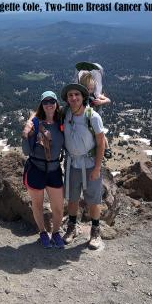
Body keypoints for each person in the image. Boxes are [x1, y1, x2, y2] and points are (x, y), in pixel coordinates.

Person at [60, 83, 105, 250]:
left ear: (83, 97)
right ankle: (72, 227)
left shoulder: (92, 116)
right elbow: (43, 112)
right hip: (72, 163)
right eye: (70, 95)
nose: (73, 98)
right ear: (67, 98)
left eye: (76, 95)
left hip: (90, 163)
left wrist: (97, 168)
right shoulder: (64, 113)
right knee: (72, 198)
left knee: (94, 199)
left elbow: (101, 144)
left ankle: (95, 231)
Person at [22, 91, 65, 249]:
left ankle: (55, 232)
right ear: (41, 104)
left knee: (58, 207)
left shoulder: (62, 122)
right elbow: (26, 151)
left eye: (52, 101)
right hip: (36, 168)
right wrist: (27, 133)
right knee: (37, 204)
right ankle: (42, 232)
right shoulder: (34, 123)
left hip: (53, 169)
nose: (49, 104)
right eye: (45, 101)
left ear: (56, 103)